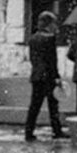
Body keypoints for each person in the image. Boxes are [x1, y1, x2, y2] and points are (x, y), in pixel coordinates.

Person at [25, 11, 68, 141]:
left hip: (37, 76)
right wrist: (57, 77)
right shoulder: (49, 39)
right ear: (49, 24)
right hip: (48, 76)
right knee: (53, 105)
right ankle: (57, 130)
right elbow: (51, 61)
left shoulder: (33, 38)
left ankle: (29, 131)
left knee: (34, 105)